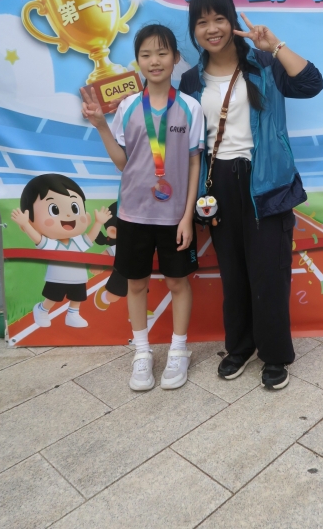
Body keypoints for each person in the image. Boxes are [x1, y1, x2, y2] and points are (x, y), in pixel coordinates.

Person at [179, 0, 323, 390]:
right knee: (233, 273)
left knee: (269, 274)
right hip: (218, 184)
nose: (212, 29)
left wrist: (275, 45)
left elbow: (311, 84)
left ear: (232, 21)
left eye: (219, 18)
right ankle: (239, 347)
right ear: (193, 30)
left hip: (267, 182)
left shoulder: (264, 64)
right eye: (202, 22)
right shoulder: (190, 81)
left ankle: (274, 355)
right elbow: (187, 141)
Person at [81, 24, 204, 391]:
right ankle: (142, 352)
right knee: (136, 284)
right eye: (146, 55)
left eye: (162, 53)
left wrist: (187, 216)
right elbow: (124, 162)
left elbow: (194, 163)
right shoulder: (128, 107)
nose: (155, 61)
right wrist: (101, 126)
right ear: (137, 61)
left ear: (176, 58)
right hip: (133, 214)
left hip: (174, 217)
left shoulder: (190, 107)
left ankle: (178, 350)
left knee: (178, 282)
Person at [11, 173, 111, 329]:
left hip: (78, 277)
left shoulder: (77, 241)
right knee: (53, 296)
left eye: (75, 208)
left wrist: (99, 222)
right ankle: (42, 310)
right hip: (57, 277)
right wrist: (26, 225)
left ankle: (73, 314)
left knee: (78, 296)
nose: (69, 215)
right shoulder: (52, 244)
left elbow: (90, 238)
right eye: (55, 210)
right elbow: (38, 239)